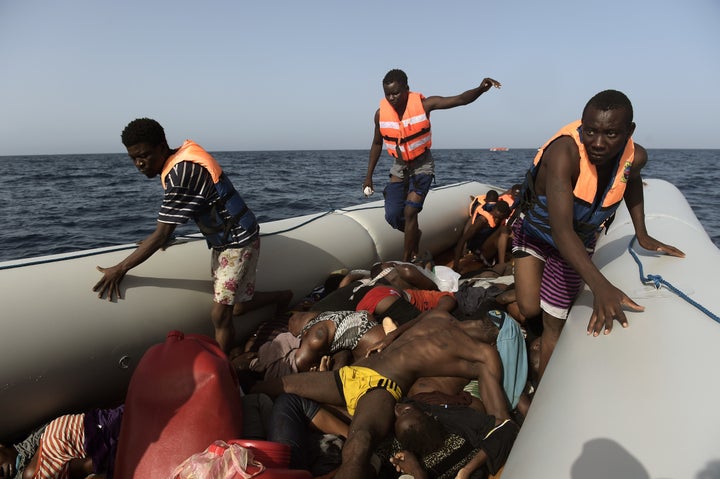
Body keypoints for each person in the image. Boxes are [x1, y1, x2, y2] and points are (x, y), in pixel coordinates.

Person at [511, 90, 685, 381]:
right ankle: (520, 296)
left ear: (629, 131)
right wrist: (602, 288)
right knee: (528, 307)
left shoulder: (636, 157)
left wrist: (642, 234)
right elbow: (561, 230)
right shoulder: (563, 154)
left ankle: (543, 389)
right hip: (539, 233)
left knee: (554, 323)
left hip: (576, 243)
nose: (599, 143)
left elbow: (631, 180)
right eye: (590, 131)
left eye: (611, 134)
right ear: (581, 125)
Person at [93, 118, 289, 353]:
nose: (139, 164)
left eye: (144, 155)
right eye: (133, 158)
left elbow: (162, 232)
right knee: (236, 308)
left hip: (237, 242)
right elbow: (173, 223)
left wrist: (120, 269)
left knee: (220, 314)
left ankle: (224, 367)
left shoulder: (181, 173)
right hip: (227, 240)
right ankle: (283, 296)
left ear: (162, 146)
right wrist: (160, 237)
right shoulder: (177, 163)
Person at [251, 309, 512, 479]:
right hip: (353, 374)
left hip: (382, 386)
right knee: (275, 386)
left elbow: (499, 419)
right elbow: (418, 320)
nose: (475, 326)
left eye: (481, 325)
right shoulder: (444, 320)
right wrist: (390, 338)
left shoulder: (479, 355)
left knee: (361, 439)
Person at [363, 69, 502, 263]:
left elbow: (460, 99)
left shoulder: (425, 104)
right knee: (394, 216)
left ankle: (407, 259)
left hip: (422, 165)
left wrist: (481, 89)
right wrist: (368, 176)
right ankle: (415, 234)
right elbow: (377, 143)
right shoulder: (380, 115)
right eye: (388, 94)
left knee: (410, 211)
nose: (392, 97)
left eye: (396, 92)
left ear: (406, 89)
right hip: (399, 166)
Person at [0, 405, 123, 479]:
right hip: (108, 441)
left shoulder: (34, 441)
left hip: (101, 425)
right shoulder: (34, 473)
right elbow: (88, 466)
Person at [453, 199, 511, 272]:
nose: (497, 219)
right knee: (504, 229)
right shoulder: (482, 221)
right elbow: (462, 240)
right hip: (481, 252)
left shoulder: (499, 218)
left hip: (490, 248)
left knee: (510, 233)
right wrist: (455, 265)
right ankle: (501, 264)